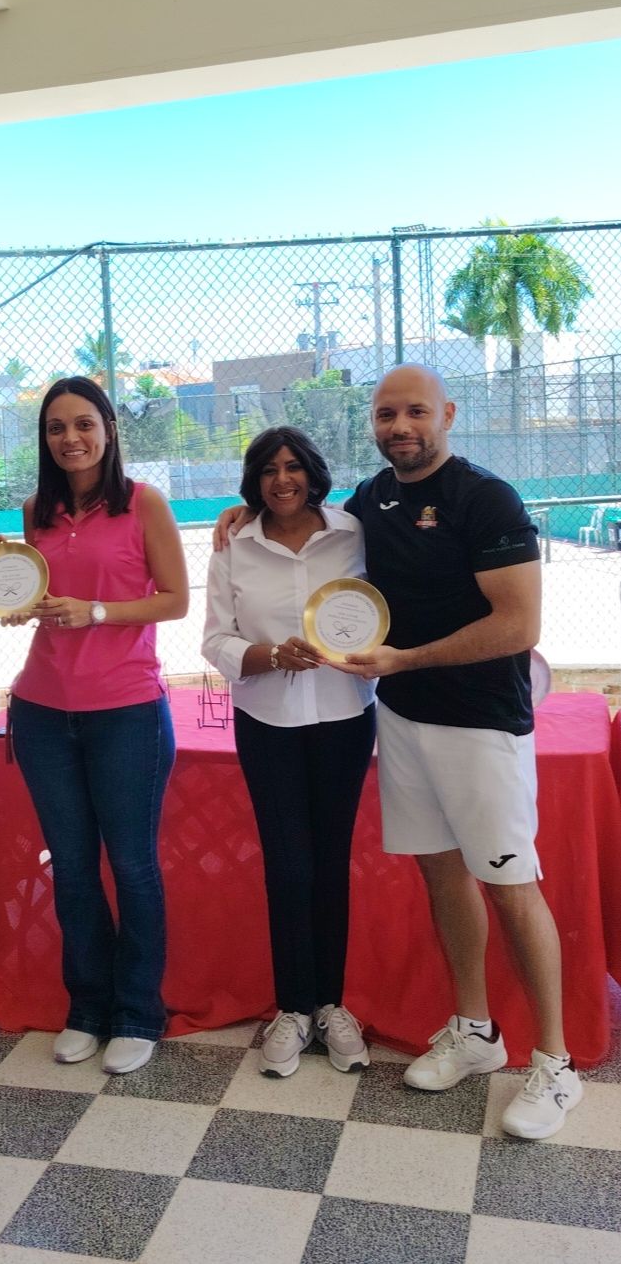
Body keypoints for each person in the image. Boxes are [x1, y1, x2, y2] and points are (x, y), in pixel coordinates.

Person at [215, 364, 580, 1141]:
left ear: (446, 413)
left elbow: (518, 625)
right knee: (442, 877)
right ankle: (475, 1032)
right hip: (403, 722)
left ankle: (555, 1063)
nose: (400, 426)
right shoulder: (370, 502)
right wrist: (243, 510)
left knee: (510, 885)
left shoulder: (486, 498)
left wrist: (406, 660)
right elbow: (297, 518)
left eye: (415, 411)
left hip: (481, 723)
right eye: (386, 415)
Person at [3, 375, 188, 1075]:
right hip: (43, 711)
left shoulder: (144, 503)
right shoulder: (36, 512)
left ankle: (137, 1012)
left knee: (133, 866)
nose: (71, 438)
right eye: (56, 427)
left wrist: (98, 613)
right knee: (73, 869)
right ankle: (87, 1007)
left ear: (109, 429)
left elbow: (174, 600)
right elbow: (38, 598)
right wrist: (14, 598)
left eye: (84, 424)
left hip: (128, 712)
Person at [203, 426, 376, 1078]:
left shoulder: (353, 533)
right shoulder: (234, 546)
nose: (282, 480)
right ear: (254, 480)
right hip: (267, 721)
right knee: (287, 865)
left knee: (330, 863)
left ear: (313, 472)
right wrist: (271, 655)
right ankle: (293, 1008)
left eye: (293, 466)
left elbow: (382, 610)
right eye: (269, 470)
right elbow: (215, 640)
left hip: (343, 717)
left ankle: (332, 1006)